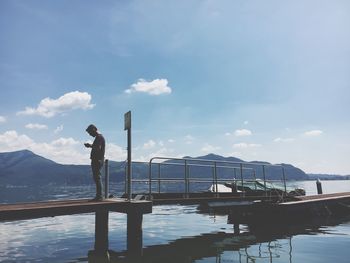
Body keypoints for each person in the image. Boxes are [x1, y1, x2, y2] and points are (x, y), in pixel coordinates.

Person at [84, 124, 105, 201]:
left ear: (94, 130)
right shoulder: (99, 137)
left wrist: (90, 145)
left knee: (97, 178)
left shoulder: (99, 137)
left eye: (90, 133)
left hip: (97, 160)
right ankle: (99, 196)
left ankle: (99, 196)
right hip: (98, 160)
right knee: (97, 178)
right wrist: (91, 145)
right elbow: (97, 147)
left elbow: (97, 148)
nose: (90, 134)